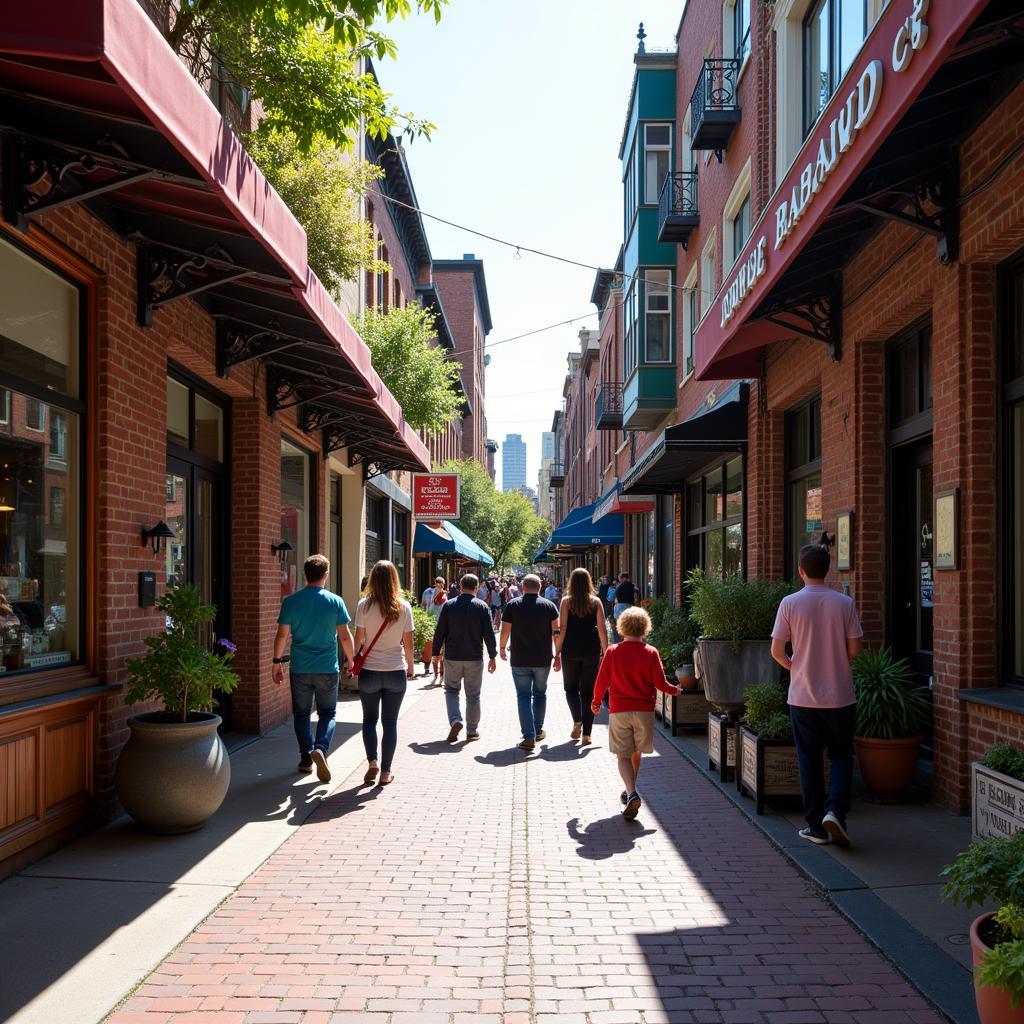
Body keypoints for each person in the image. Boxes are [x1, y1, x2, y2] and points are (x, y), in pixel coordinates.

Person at [771, 544, 863, 846]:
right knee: (840, 756)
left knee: (808, 759)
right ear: (828, 569)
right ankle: (835, 810)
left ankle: (814, 825)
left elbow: (776, 651)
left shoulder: (789, 603)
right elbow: (854, 652)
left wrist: (795, 665)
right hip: (839, 696)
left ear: (801, 570)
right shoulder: (844, 603)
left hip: (802, 697)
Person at [591, 606, 679, 820]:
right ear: (644, 627)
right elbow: (660, 683)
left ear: (622, 627)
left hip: (620, 709)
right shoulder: (651, 652)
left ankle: (631, 793)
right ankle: (631, 791)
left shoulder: (612, 651)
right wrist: (676, 690)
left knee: (622, 755)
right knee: (636, 752)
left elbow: (601, 680)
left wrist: (595, 702)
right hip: (644, 711)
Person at [273, 554, 354, 782]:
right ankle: (321, 748)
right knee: (327, 713)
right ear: (325, 575)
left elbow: (282, 635)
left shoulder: (291, 601)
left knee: (301, 714)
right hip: (327, 667)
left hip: (300, 668)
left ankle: (306, 758)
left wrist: (276, 662)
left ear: (305, 574)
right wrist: (352, 660)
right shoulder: (335, 601)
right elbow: (345, 637)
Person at [351, 560, 416, 787]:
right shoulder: (404, 607)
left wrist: (353, 659)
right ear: (394, 580)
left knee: (369, 720)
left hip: (369, 670)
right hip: (395, 671)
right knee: (390, 723)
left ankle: (372, 762)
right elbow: (408, 644)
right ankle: (386, 772)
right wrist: (411, 667)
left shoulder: (364, 606)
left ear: (373, 580)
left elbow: (359, 639)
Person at [432, 573, 497, 742]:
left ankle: (455, 719)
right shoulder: (482, 607)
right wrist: (492, 655)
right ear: (476, 588)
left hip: (453, 656)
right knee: (473, 694)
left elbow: (440, 631)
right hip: (474, 657)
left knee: (452, 690)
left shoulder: (449, 606)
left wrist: (434, 652)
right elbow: (489, 634)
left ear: (460, 587)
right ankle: (472, 731)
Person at [501, 574, 559, 751]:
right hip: (543, 659)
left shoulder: (513, 605)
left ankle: (528, 736)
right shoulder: (549, 606)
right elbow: (556, 631)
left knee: (524, 696)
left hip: (520, 659)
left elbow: (505, 630)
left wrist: (502, 648)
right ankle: (538, 729)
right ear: (540, 587)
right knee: (540, 694)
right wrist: (558, 655)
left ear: (523, 587)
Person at [553, 567, 609, 746]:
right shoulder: (596, 602)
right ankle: (587, 734)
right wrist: (606, 652)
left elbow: (563, 629)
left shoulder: (565, 602)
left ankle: (577, 720)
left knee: (570, 689)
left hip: (570, 650)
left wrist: (557, 652)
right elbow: (602, 629)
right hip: (591, 650)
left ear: (571, 582)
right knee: (588, 692)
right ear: (588, 582)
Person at [611, 571, 636, 640]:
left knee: (619, 623)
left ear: (624, 578)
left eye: (620, 578)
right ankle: (628, 638)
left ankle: (620, 638)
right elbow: (634, 596)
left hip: (620, 606)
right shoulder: (632, 586)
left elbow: (614, 597)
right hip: (629, 606)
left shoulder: (619, 586)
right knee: (628, 623)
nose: (619, 579)